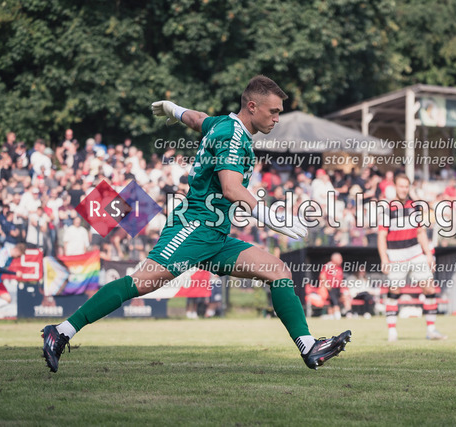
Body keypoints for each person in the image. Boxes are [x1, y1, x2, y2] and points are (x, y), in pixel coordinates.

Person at [42, 75, 351, 373]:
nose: (277, 119)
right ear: (252, 107)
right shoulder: (232, 136)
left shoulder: (223, 124)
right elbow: (231, 187)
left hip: (215, 235)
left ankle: (309, 347)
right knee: (141, 282)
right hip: (192, 228)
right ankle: (61, 331)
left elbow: (197, 119)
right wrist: (270, 217)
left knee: (278, 271)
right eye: (273, 112)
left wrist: (174, 109)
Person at [378, 173, 446, 342]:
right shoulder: (388, 209)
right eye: (401, 186)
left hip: (415, 252)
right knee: (394, 291)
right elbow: (381, 236)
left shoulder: (415, 207)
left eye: (406, 186)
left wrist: (428, 254)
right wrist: (384, 258)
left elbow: (421, 232)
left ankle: (431, 330)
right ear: (395, 187)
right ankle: (392, 332)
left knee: (429, 288)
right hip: (396, 255)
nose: (404, 189)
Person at [0, 244, 25, 316]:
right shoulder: (4, 253)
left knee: (8, 299)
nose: (18, 258)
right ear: (17, 250)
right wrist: (15, 273)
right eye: (19, 256)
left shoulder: (10, 257)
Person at [318, 252, 350, 319]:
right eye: (340, 259)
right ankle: (337, 314)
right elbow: (322, 276)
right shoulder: (328, 266)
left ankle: (348, 312)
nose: (341, 260)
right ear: (334, 259)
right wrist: (326, 285)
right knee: (334, 299)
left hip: (338, 288)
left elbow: (340, 278)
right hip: (330, 288)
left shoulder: (339, 267)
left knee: (345, 296)